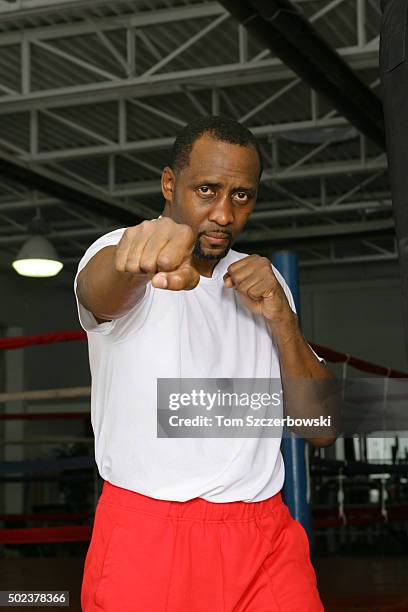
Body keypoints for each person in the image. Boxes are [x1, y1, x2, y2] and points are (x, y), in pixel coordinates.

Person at [74, 116, 336, 611]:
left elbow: (321, 427)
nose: (223, 213)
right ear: (169, 184)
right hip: (150, 536)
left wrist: (282, 318)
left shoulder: (264, 281)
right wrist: (139, 258)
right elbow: (99, 291)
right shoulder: (119, 253)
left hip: (264, 537)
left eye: (242, 196)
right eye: (207, 189)